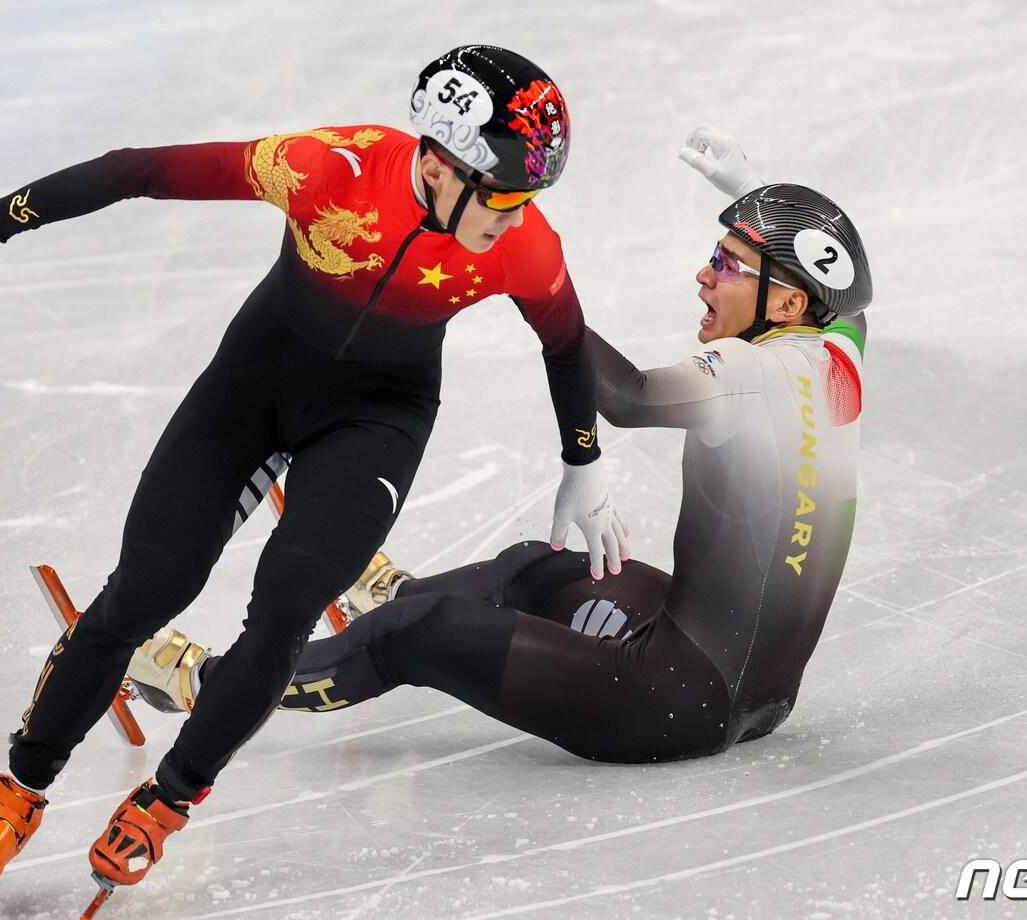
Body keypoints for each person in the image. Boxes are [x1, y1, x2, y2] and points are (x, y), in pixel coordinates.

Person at [0, 45, 629, 920]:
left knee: (289, 600)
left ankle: (167, 799)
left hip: (378, 417)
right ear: (440, 164)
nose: (518, 219)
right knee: (145, 589)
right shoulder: (329, 168)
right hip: (253, 387)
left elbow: (566, 341)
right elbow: (140, 170)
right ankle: (18, 789)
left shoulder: (524, 245)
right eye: (507, 196)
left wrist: (583, 460)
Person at [128, 127, 872, 768]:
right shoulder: (840, 354)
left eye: (728, 265)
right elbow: (839, 297)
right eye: (716, 254)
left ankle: (203, 682)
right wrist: (758, 199)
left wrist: (530, 286)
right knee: (533, 569)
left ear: (787, 303)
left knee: (418, 637)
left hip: (673, 698)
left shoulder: (743, 373)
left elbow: (629, 396)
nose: (704, 275)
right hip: (750, 684)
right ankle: (394, 594)